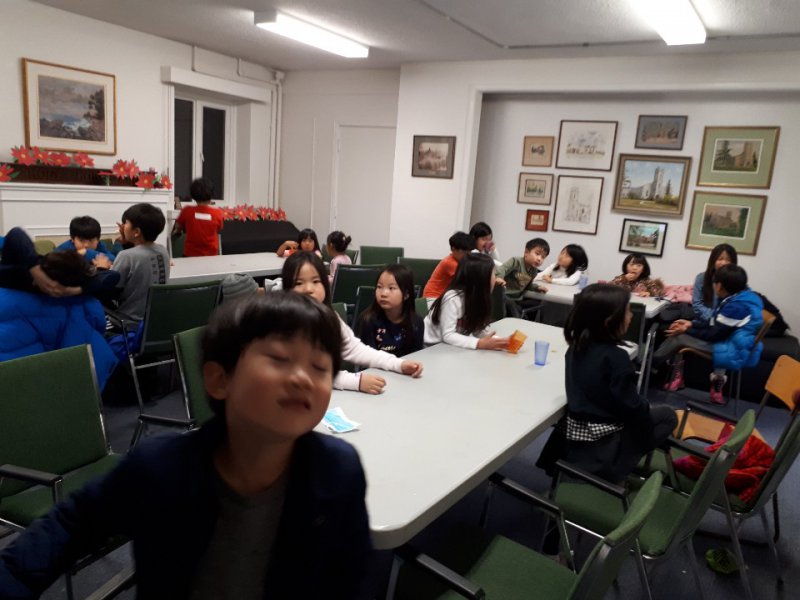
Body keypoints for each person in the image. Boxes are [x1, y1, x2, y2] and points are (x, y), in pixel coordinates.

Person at [0, 292, 372, 598]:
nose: (303, 378)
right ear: (219, 379)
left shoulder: (339, 471)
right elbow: (72, 522)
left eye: (320, 367)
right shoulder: (161, 467)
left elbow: (351, 579)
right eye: (279, 359)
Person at [560, 283, 677, 481]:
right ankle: (618, 464)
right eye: (628, 311)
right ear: (609, 322)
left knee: (647, 414)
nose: (631, 316)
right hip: (607, 434)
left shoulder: (575, 348)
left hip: (577, 429)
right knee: (668, 415)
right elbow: (631, 406)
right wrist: (644, 408)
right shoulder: (616, 358)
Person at [282, 251, 423, 394]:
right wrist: (356, 381)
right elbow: (307, 372)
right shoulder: (284, 325)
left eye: (316, 281)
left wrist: (399, 364)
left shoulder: (329, 317)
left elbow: (355, 349)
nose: (308, 289)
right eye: (298, 283)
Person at [0, 248, 119, 388]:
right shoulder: (84, 304)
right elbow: (110, 279)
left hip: (14, 383)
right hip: (74, 387)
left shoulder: (9, 291)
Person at [655, 264, 763, 404]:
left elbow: (714, 335)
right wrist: (691, 324)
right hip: (728, 340)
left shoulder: (735, 307)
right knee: (680, 332)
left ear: (719, 286)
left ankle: (650, 366)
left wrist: (687, 330)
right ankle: (653, 365)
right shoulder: (738, 298)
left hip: (732, 348)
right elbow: (715, 322)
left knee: (679, 337)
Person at [424, 253, 510, 350]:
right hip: (432, 347)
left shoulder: (477, 297)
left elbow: (477, 330)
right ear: (481, 279)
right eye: (493, 274)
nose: (495, 279)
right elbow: (448, 335)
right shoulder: (452, 298)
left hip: (450, 346)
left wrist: (499, 341)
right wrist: (479, 343)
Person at [112, 203, 170, 322]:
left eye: (126, 223)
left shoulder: (126, 256)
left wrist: (102, 269)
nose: (123, 226)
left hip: (128, 322)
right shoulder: (163, 250)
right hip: (153, 321)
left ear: (137, 232)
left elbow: (112, 289)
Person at [355, 264, 424, 357]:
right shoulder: (368, 320)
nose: (383, 293)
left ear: (406, 294)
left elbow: (417, 356)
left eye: (391, 288)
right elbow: (367, 358)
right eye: (379, 287)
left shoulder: (416, 322)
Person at [495, 237, 550, 317]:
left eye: (543, 257)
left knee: (539, 303)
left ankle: (522, 318)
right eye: (537, 254)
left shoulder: (534, 271)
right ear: (526, 252)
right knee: (513, 308)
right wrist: (499, 278)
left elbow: (527, 285)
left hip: (517, 299)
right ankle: (517, 319)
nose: (539, 259)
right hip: (504, 296)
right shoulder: (516, 261)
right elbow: (502, 269)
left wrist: (536, 287)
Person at [172, 178, 225, 257]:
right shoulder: (218, 213)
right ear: (211, 195)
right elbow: (219, 228)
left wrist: (177, 231)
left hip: (190, 255)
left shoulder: (186, 211)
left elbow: (178, 226)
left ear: (193, 195)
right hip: (212, 256)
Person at [422, 231, 476, 302]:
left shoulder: (460, 261)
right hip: (433, 298)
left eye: (469, 252)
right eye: (464, 252)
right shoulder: (450, 263)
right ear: (453, 249)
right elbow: (468, 280)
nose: (468, 255)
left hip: (444, 298)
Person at [693, 243, 737, 322]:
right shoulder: (701, 278)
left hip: (727, 322)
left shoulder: (737, 280)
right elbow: (697, 305)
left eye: (728, 260)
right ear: (713, 261)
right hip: (704, 321)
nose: (723, 263)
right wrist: (715, 317)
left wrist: (722, 318)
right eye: (720, 259)